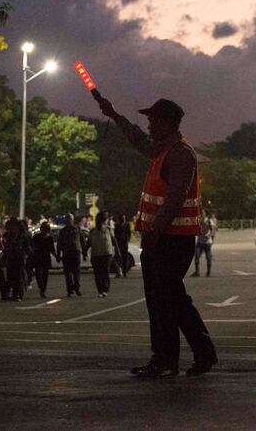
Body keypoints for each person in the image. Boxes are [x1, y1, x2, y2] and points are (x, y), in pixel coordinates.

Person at [93, 92, 217, 377]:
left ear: (167, 123)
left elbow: (175, 199)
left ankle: (190, 354)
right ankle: (169, 357)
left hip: (171, 240)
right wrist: (113, 114)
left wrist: (156, 230)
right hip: (161, 238)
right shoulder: (163, 150)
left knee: (170, 299)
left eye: (152, 120)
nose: (148, 125)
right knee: (161, 300)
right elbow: (137, 138)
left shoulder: (181, 154)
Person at [85, 212, 116, 297]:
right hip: (96, 255)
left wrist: (117, 251)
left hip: (106, 254)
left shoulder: (108, 229)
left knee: (105, 272)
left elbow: (113, 240)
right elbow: (89, 242)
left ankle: (105, 289)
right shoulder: (93, 231)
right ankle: (100, 290)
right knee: (97, 273)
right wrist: (85, 251)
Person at [2, 216, 31, 301]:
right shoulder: (9, 236)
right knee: (11, 276)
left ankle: (17, 294)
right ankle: (12, 293)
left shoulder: (22, 236)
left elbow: (27, 247)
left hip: (19, 257)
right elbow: (7, 247)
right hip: (12, 257)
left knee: (18, 276)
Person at [30, 222, 56, 298]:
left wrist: (56, 256)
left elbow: (52, 250)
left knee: (45, 275)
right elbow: (31, 247)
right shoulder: (36, 237)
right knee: (38, 274)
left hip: (45, 258)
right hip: (38, 258)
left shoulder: (49, 238)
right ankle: (41, 287)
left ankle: (43, 290)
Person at [192, 210, 217, 277]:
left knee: (208, 258)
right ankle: (197, 272)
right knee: (196, 256)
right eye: (200, 212)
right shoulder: (198, 221)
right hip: (199, 242)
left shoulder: (209, 221)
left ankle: (208, 272)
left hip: (207, 243)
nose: (201, 213)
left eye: (203, 212)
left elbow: (213, 230)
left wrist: (209, 236)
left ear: (206, 213)